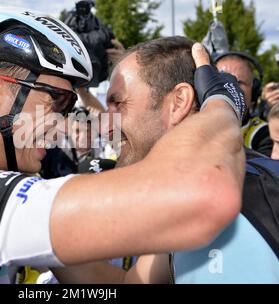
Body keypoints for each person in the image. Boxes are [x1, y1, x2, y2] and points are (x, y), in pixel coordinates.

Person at [0, 8, 246, 284]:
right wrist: (222, 104)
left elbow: (125, 283)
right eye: (56, 102)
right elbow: (205, 195)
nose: (61, 123)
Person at [54, 37, 279, 284]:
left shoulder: (247, 198)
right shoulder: (183, 196)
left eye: (118, 103)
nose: (106, 126)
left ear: (179, 102)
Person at [215, 51, 273, 156]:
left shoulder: (266, 133)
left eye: (238, 82)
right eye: (222, 81)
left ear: (255, 90)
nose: (230, 88)